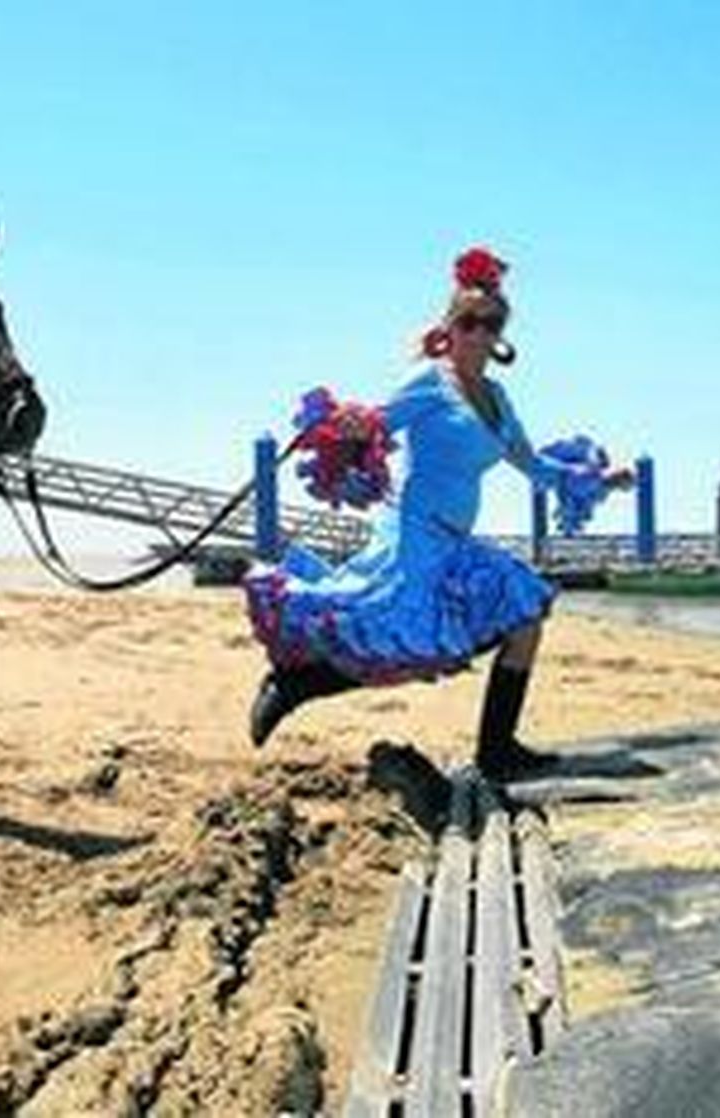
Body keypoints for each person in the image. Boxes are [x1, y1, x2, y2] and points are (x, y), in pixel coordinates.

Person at [243, 247, 634, 784]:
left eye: (490, 323)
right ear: (449, 328)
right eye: (468, 321)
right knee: (400, 643)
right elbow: (378, 421)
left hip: (455, 544)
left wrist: (602, 481)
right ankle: (293, 685)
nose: (479, 333)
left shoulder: (497, 398)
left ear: (502, 334)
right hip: (414, 541)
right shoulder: (431, 381)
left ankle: (497, 752)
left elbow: (532, 464)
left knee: (523, 616)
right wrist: (342, 427)